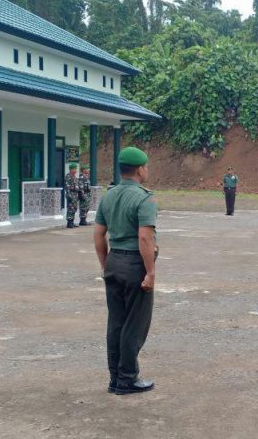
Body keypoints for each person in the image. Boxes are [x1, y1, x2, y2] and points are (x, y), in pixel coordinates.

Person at [93, 146, 158, 396]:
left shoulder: (108, 196)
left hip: (113, 262)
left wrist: (105, 264)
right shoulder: (144, 198)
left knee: (116, 322)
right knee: (135, 324)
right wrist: (150, 272)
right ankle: (127, 379)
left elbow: (98, 235)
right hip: (134, 265)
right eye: (146, 166)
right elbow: (145, 238)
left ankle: (115, 378)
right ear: (140, 170)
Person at [64, 163, 80, 229]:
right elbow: (67, 187)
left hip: (75, 195)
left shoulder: (74, 176)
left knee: (74, 208)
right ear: (71, 169)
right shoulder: (68, 177)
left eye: (76, 169)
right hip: (71, 195)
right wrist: (69, 195)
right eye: (74, 169)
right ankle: (69, 223)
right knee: (70, 209)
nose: (75, 170)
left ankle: (72, 222)